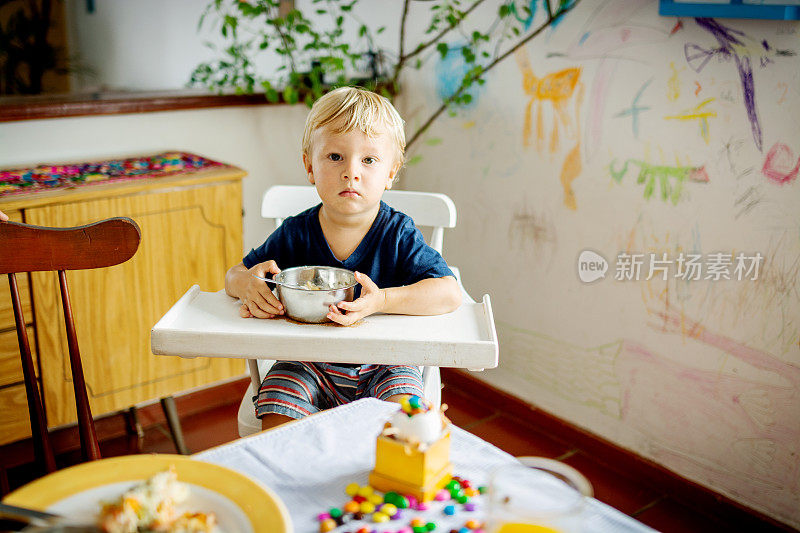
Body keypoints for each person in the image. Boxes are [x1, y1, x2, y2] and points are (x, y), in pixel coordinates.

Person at [224, 86, 462, 430]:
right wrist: (248, 284)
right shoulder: (296, 232)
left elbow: (448, 293)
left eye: (369, 160)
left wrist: (381, 300)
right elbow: (234, 274)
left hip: (387, 360)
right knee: (277, 401)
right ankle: (282, 478)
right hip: (306, 362)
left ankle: (384, 478)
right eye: (335, 157)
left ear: (391, 173)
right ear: (310, 166)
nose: (351, 172)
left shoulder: (398, 234)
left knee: (406, 423)